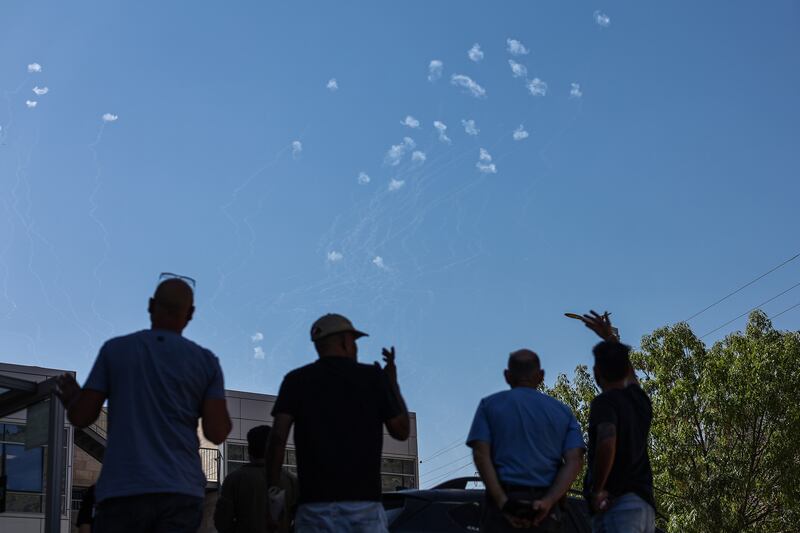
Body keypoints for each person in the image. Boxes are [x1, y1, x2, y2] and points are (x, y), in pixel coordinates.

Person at [56, 275, 232, 533]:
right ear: (190, 313)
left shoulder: (116, 350)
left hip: (124, 489)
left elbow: (82, 417)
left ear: (151, 305)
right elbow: (217, 432)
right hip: (180, 490)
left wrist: (73, 399)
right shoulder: (205, 362)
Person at [265, 313, 410, 533]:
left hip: (314, 507)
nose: (355, 348)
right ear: (344, 341)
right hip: (365, 506)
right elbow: (401, 431)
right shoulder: (372, 378)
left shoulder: (296, 380)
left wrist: (273, 495)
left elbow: (277, 438)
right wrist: (392, 383)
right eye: (354, 342)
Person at [467, 349, 585, 532]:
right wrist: (549, 501)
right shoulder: (562, 412)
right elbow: (575, 460)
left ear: (507, 376)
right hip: (545, 511)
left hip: (503, 506)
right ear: (541, 376)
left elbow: (480, 454)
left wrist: (503, 502)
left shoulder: (489, 406)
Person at [579, 311, 655, 533]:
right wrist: (610, 338)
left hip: (618, 505)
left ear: (596, 372)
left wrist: (599, 489)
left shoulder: (605, 403)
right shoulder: (640, 401)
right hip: (644, 506)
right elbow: (631, 376)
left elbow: (607, 440)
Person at [214, 425, 298, 533]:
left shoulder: (234, 479)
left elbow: (222, 522)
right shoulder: (291, 481)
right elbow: (301, 520)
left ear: (249, 450)